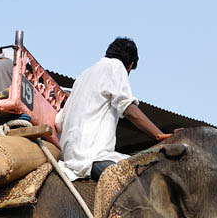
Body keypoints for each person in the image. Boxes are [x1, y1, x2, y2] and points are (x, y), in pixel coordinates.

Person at [55, 37, 170, 181]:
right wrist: (159, 135)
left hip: (70, 159)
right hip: (93, 157)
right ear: (130, 65)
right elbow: (128, 108)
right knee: (146, 181)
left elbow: (59, 122)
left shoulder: (82, 78)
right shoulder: (115, 66)